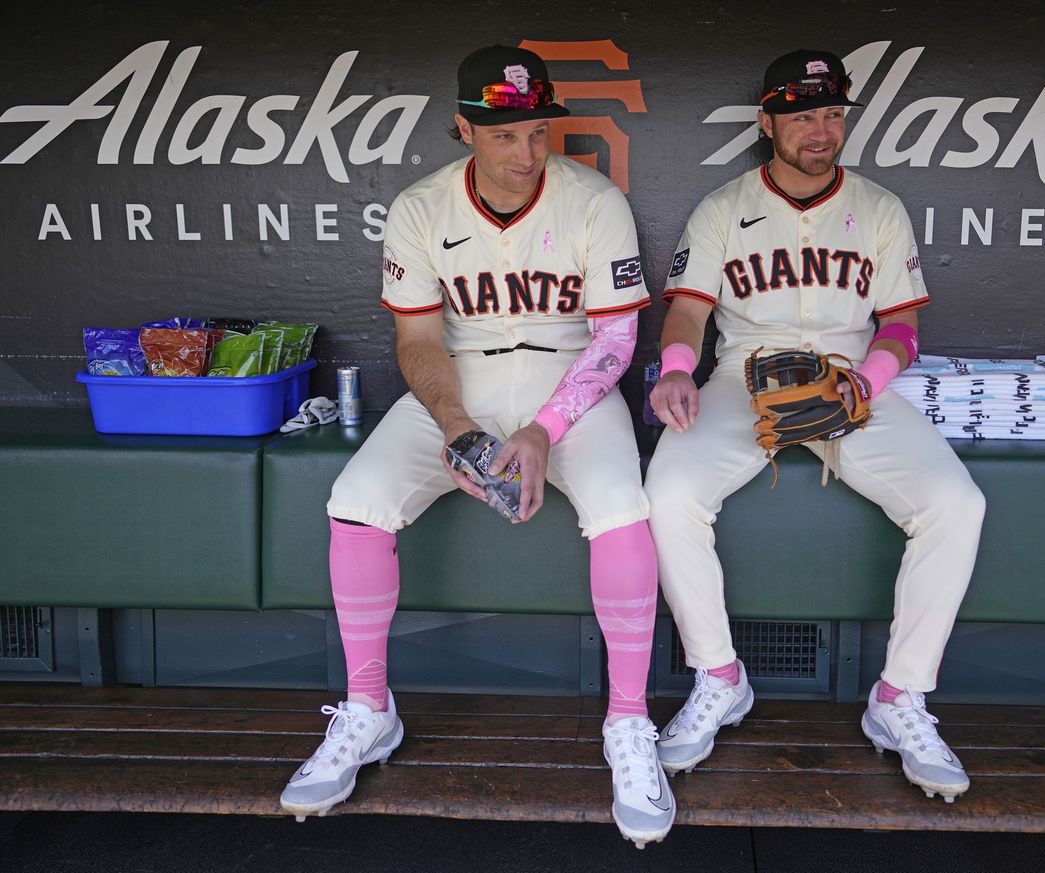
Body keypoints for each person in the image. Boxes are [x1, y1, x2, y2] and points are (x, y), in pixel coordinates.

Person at [279, 44, 674, 847]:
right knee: (355, 501)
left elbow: (612, 343)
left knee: (623, 510)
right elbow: (419, 339)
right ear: (465, 127)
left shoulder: (593, 200)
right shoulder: (422, 207)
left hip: (573, 387)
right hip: (458, 384)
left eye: (538, 133)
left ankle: (628, 724)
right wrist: (457, 427)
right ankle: (368, 709)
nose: (527, 153)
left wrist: (542, 430)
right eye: (504, 135)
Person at [646, 49, 986, 803]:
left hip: (851, 377)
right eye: (801, 114)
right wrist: (675, 365)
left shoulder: (880, 208)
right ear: (767, 121)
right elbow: (690, 307)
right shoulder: (723, 206)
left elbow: (900, 324)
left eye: (832, 112)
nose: (820, 129)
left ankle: (899, 698)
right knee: (668, 491)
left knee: (957, 504)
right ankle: (719, 675)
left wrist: (870, 381)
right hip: (744, 375)